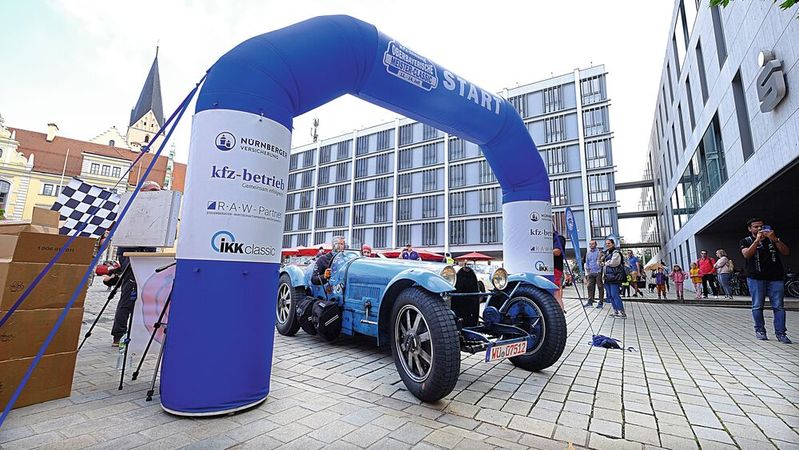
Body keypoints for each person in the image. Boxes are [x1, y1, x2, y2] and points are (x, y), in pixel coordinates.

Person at [111, 180, 161, 346]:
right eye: (153, 190)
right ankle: (118, 334)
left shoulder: (159, 209)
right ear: (142, 191)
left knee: (145, 292)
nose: (156, 193)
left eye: (158, 191)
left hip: (148, 252)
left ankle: (139, 333)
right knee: (129, 292)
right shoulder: (131, 205)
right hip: (131, 252)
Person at [740, 218, 791, 343]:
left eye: (761, 226)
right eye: (756, 227)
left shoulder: (772, 239)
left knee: (778, 306)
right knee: (757, 306)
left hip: (775, 278)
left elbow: (786, 252)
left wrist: (775, 239)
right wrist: (757, 240)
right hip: (755, 278)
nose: (759, 229)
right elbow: (746, 254)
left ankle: (781, 333)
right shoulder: (746, 241)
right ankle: (760, 330)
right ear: (750, 229)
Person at [602, 239, 626, 318]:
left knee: (615, 294)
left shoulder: (616, 253)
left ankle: (621, 312)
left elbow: (614, 263)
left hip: (614, 277)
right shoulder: (607, 253)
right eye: (606, 244)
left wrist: (605, 263)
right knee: (610, 295)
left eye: (609, 243)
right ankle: (615, 311)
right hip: (607, 277)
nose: (607, 245)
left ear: (613, 244)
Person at [582, 240, 604, 308]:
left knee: (600, 287)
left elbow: (602, 260)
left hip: (598, 272)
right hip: (591, 272)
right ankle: (590, 301)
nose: (591, 245)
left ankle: (600, 302)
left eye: (592, 244)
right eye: (590, 244)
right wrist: (588, 270)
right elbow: (587, 262)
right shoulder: (588, 253)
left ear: (596, 244)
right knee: (589, 286)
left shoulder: (599, 252)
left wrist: (599, 268)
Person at [552, 232, 567, 312]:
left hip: (555, 269)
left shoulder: (559, 238)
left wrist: (542, 251)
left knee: (556, 293)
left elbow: (557, 252)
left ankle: (560, 314)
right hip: (548, 268)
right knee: (555, 293)